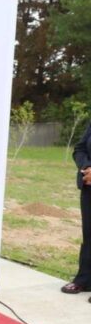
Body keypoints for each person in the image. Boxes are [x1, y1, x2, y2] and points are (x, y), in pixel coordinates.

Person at [62, 124, 91, 296]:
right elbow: (79, 148)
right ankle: (84, 279)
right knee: (89, 234)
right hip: (89, 185)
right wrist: (87, 167)